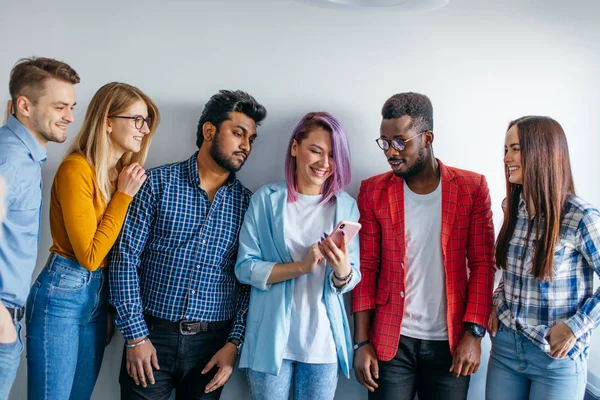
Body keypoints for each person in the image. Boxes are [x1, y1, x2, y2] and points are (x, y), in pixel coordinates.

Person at [110, 90, 267, 399]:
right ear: (209, 131)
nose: (246, 146)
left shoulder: (249, 205)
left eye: (251, 139)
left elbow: (248, 281)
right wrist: (135, 337)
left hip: (211, 348)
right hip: (151, 337)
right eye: (238, 134)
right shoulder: (156, 184)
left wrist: (233, 344)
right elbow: (124, 258)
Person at [352, 92, 496, 400]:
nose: (391, 151)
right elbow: (367, 267)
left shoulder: (472, 188)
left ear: (427, 137)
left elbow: (484, 264)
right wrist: (361, 342)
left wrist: (474, 333)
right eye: (384, 142)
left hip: (452, 342)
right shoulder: (373, 191)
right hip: (391, 342)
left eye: (400, 142)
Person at [25, 82, 159, 400]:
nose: (144, 129)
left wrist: (109, 307)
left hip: (98, 298)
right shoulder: (76, 169)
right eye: (136, 119)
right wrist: (123, 197)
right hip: (62, 294)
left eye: (147, 121)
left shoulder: (122, 174)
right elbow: (89, 254)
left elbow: (118, 252)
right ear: (108, 121)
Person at [234, 111, 360, 400]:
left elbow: (352, 276)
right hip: (269, 339)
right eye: (315, 150)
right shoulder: (265, 200)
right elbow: (245, 267)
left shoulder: (345, 206)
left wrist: (342, 271)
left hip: (323, 341)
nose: (324, 164)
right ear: (294, 148)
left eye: (332, 155)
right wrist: (300, 267)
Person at [486, 116, 600, 400]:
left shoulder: (581, 217)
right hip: (505, 351)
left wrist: (576, 327)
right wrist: (497, 302)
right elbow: (511, 272)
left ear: (542, 153)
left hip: (555, 357)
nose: (507, 158)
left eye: (515, 149)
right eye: (505, 150)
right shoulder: (513, 208)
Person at [0, 57, 79, 399]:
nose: (70, 117)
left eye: (71, 107)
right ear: (24, 106)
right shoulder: (11, 161)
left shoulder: (19, 152)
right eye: (60, 106)